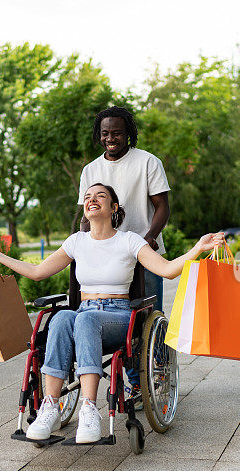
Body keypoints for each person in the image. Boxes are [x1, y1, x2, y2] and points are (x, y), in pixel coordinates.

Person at [0, 183, 223, 443]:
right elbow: (38, 272)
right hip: (84, 314)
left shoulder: (129, 240)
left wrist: (198, 248)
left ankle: (89, 410)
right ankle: (50, 406)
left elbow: (166, 269)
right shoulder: (76, 242)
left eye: (100, 196)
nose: (92, 199)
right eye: (87, 197)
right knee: (62, 317)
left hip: (118, 316)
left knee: (84, 319)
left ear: (114, 207)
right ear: (84, 209)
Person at [78, 105, 170, 397]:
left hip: (143, 254)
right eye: (105, 133)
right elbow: (87, 213)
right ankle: (135, 385)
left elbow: (162, 206)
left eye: (117, 132)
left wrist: (150, 237)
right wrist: (79, 242)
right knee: (123, 323)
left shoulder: (147, 162)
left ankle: (160, 374)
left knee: (148, 318)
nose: (111, 138)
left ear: (128, 133)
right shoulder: (91, 170)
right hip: (106, 258)